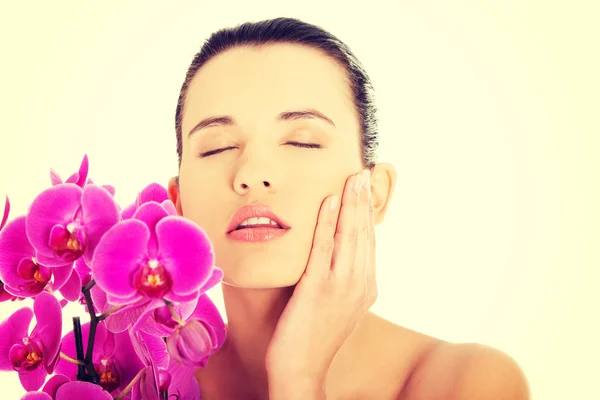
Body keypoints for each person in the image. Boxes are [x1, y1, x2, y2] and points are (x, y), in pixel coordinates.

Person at [166, 17, 529, 400]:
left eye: (302, 142)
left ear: (374, 193)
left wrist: (299, 375)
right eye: (217, 147)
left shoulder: (465, 383)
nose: (253, 174)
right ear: (178, 206)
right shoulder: (135, 380)